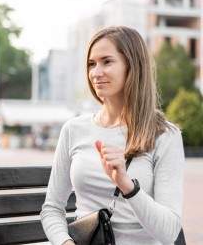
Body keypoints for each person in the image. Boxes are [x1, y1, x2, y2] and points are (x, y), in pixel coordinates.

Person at [40, 26, 184, 245]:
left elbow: (170, 233)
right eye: (92, 64)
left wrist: (127, 185)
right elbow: (52, 208)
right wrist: (65, 243)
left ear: (132, 66)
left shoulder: (165, 135)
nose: (96, 72)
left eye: (107, 61)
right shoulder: (73, 129)